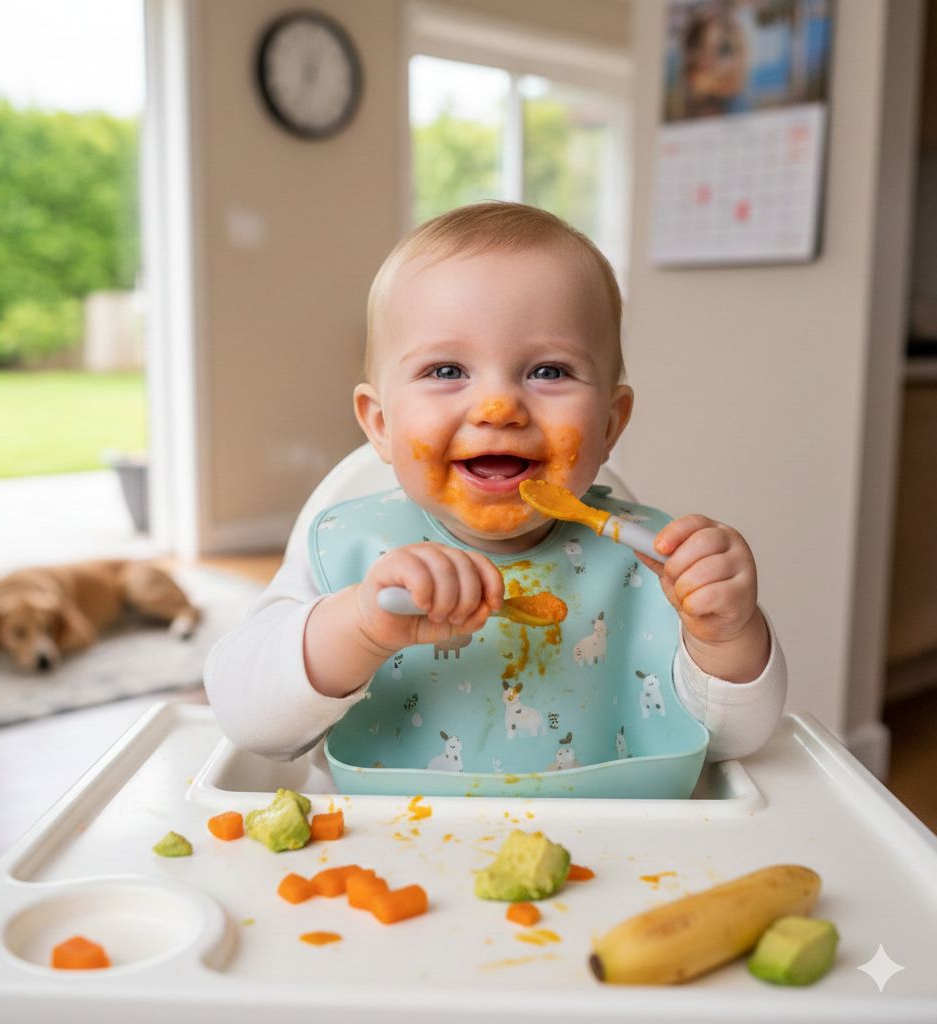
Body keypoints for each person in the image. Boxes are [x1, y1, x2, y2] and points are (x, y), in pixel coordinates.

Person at [204, 202, 785, 792]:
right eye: (447, 370)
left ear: (611, 424)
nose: (498, 407)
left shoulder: (650, 563)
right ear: (380, 423)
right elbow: (248, 720)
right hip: (378, 860)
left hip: (613, 857)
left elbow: (732, 745)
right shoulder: (353, 551)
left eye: (550, 372)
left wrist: (726, 635)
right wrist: (359, 626)